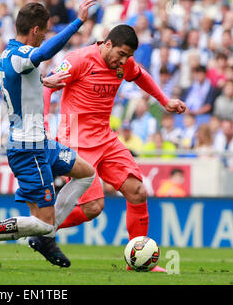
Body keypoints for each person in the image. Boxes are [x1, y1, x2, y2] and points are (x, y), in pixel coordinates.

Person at [0, 0, 98, 269]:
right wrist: (78, 21)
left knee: (86, 173)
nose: (45, 36)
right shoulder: (22, 55)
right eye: (44, 31)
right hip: (27, 148)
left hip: (41, 143)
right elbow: (41, 55)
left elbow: (22, 79)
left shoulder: (10, 54)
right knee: (42, 223)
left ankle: (47, 234)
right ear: (35, 30)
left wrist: (44, 80)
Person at [43, 24, 186, 272]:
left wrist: (165, 101)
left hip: (104, 138)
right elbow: (47, 87)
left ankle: (138, 263)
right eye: (121, 54)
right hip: (75, 138)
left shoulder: (123, 63)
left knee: (138, 191)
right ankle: (42, 228)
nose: (124, 61)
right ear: (107, 44)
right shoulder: (78, 60)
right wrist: (45, 123)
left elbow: (140, 75)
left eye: (128, 56)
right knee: (93, 207)